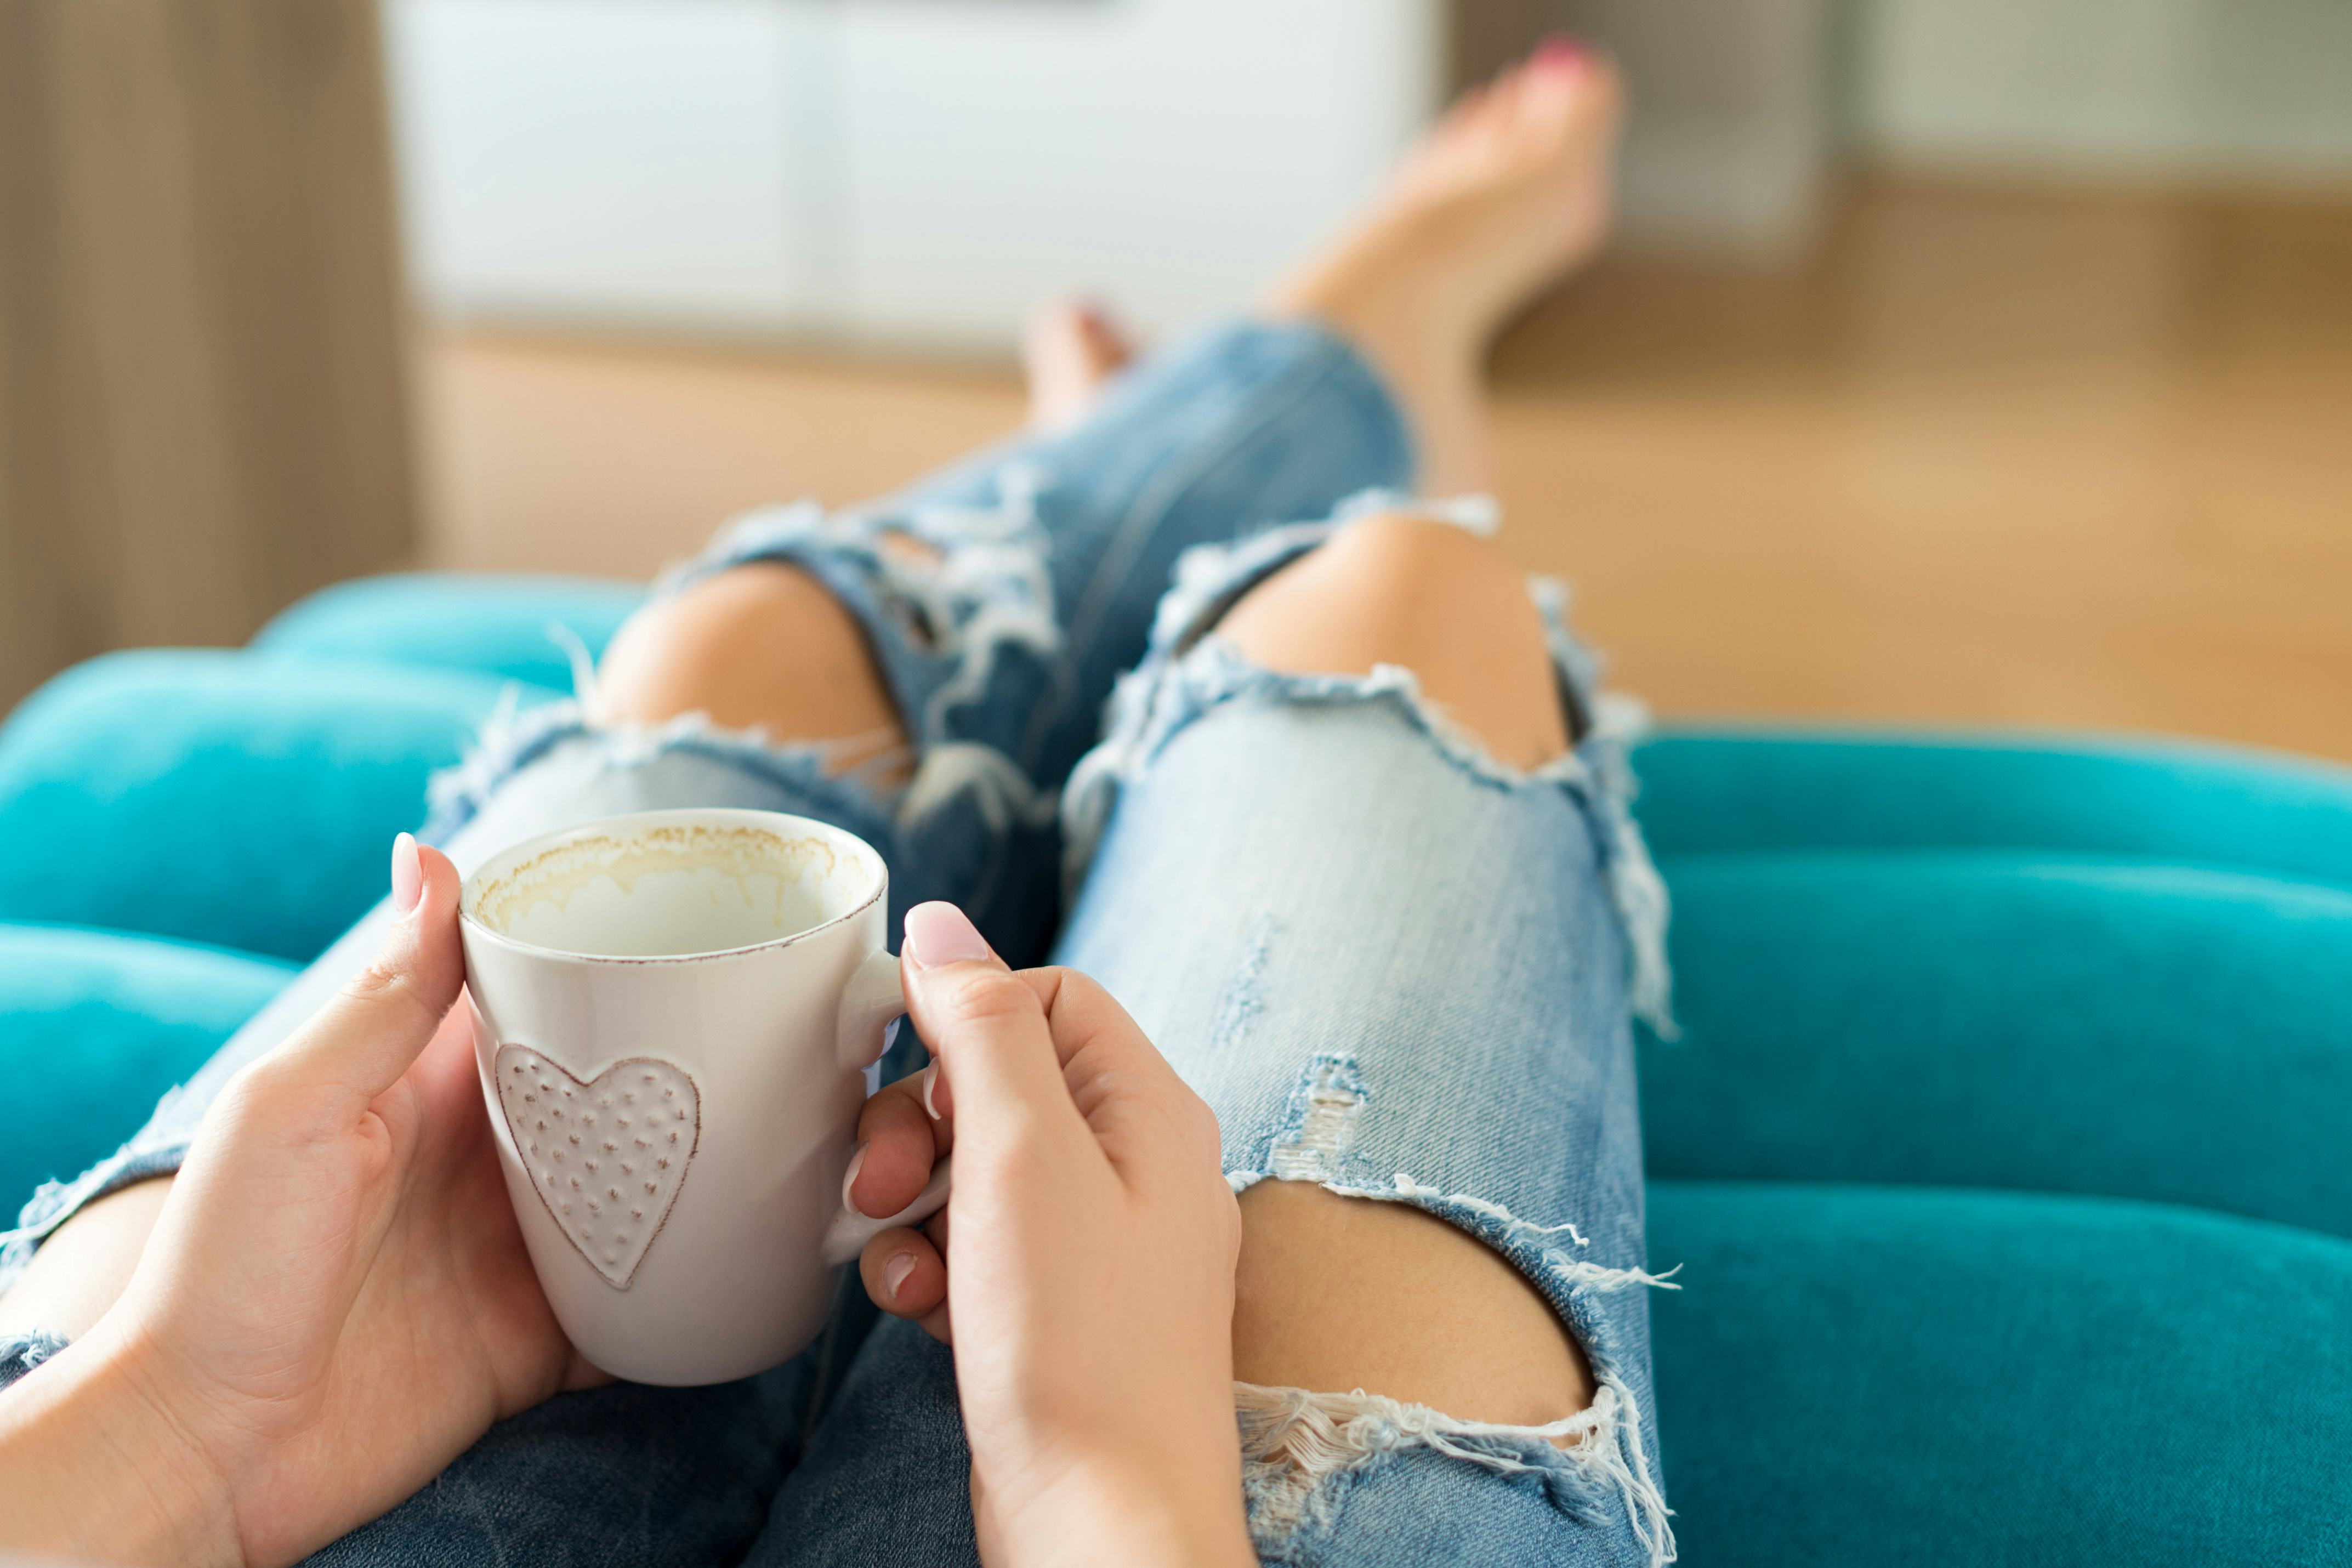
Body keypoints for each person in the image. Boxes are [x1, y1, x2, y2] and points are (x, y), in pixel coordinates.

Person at [0, 40, 1676, 1567]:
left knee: (735, 655)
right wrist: (1104, 1482)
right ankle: (1353, 356)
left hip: (198, 1461)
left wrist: (175, 1426)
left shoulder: (201, 1402)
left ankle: (1175, 441)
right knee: (1381, 607)